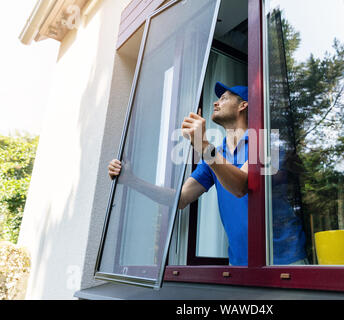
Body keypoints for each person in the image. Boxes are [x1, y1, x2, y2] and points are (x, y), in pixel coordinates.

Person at [108, 82, 306, 266]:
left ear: (243, 105)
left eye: (224, 98)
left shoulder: (266, 142)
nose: (215, 102)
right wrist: (132, 181)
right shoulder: (214, 155)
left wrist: (203, 145)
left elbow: (241, 186)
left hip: (285, 260)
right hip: (240, 265)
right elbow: (181, 199)